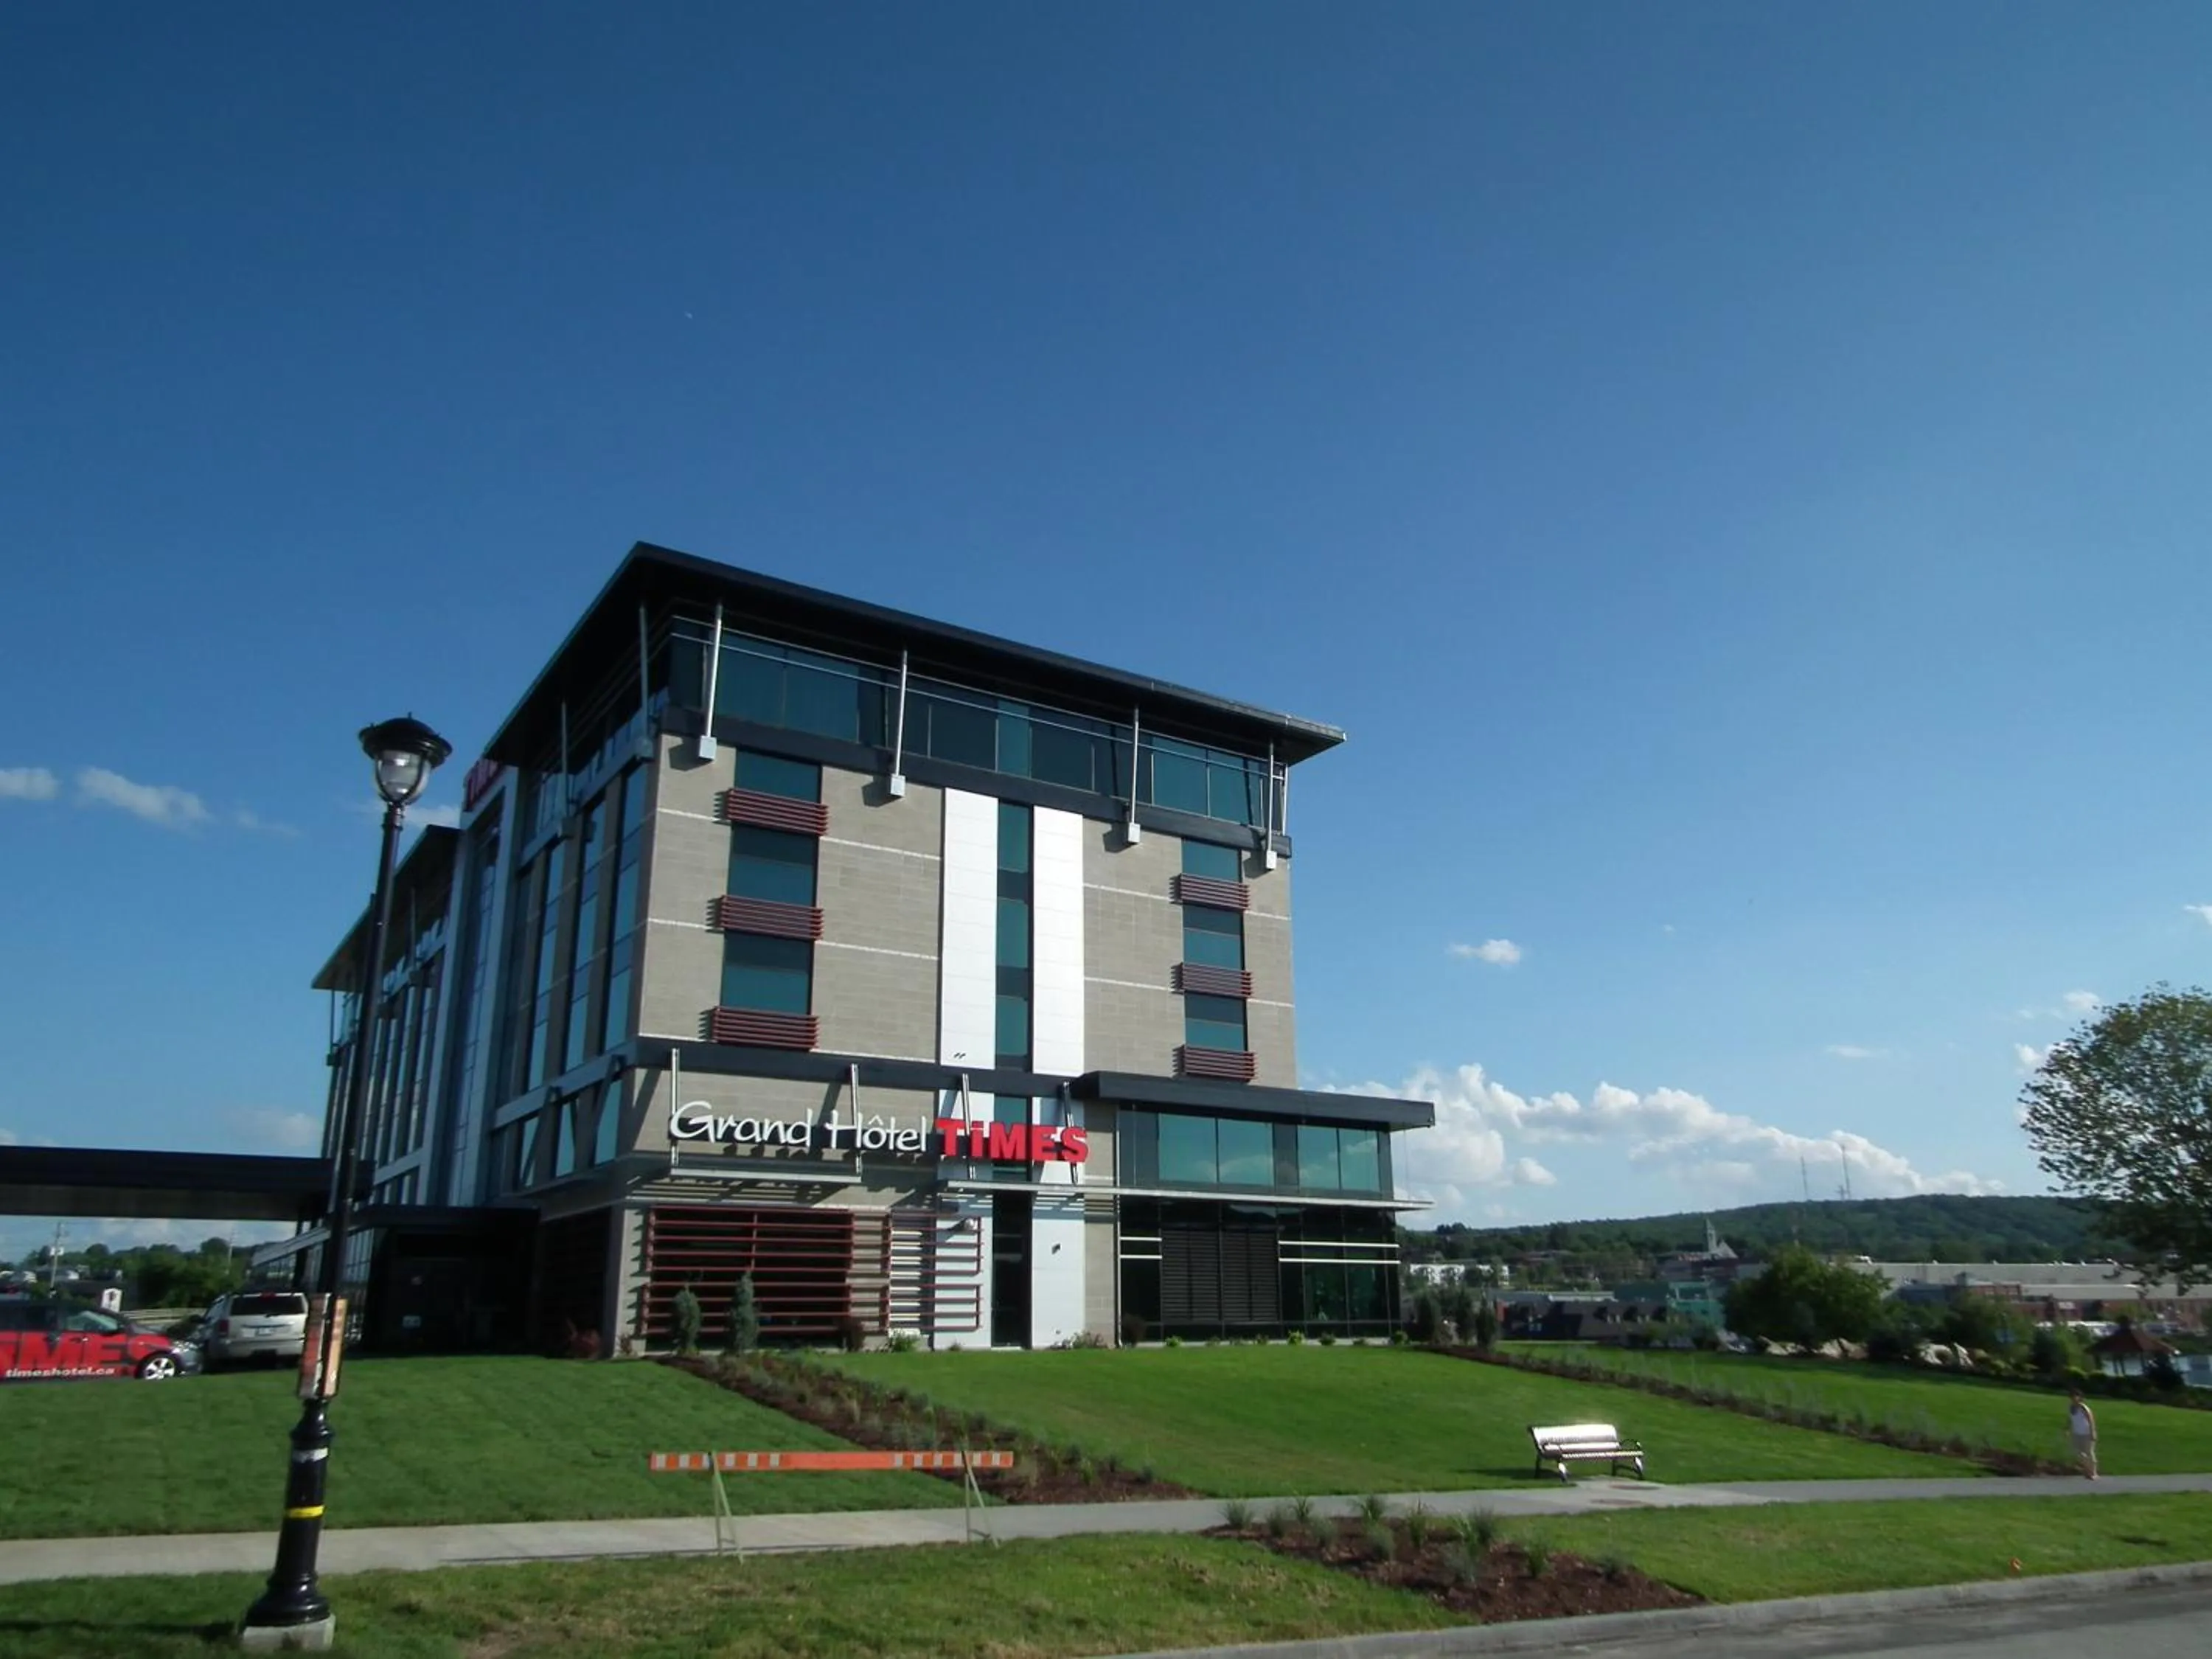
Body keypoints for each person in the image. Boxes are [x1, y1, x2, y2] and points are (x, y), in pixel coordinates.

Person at [2067, 1389, 2098, 1479]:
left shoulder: (2084, 1408)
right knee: (2079, 1453)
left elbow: (2091, 1420)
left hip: (2086, 1433)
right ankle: (2087, 1470)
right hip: (2077, 1433)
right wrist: (2067, 1428)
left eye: (2075, 1396)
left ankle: (2094, 1473)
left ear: (2080, 1398)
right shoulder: (2071, 1408)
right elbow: (2070, 1419)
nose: (2073, 1398)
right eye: (2072, 1397)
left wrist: (2093, 1432)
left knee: (2089, 1452)